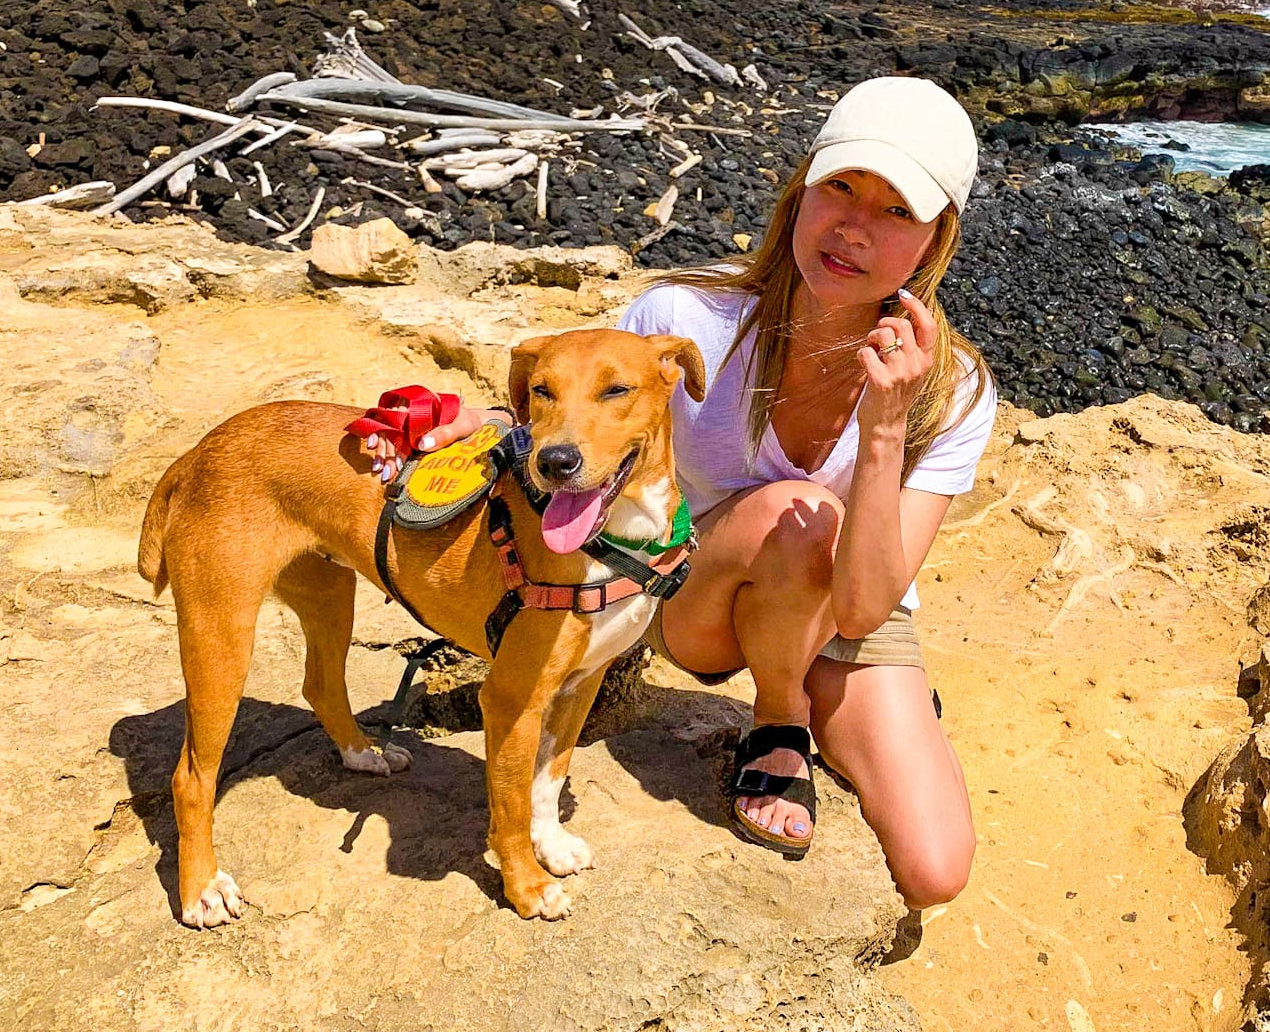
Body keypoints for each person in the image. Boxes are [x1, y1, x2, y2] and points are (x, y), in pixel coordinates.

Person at [366, 75, 995, 908]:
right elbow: (589, 403)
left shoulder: (952, 390)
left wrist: (884, 426)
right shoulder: (689, 314)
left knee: (934, 868)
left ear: (935, 239)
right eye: (839, 186)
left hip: (848, 607)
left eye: (895, 211)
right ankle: (781, 723)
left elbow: (870, 606)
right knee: (798, 517)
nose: (852, 226)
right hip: (695, 595)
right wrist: (486, 422)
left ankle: (840, 703)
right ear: (801, 188)